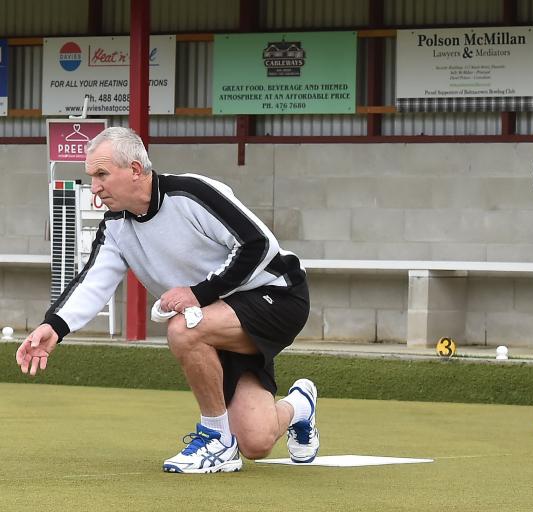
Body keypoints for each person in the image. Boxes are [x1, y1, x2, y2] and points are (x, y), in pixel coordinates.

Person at [15, 126, 320, 472]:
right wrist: (53, 327)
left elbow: (257, 245)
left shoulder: (191, 193)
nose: (95, 187)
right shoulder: (115, 226)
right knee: (257, 440)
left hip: (278, 294)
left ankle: (216, 439)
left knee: (183, 330)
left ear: (133, 169)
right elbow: (92, 282)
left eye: (102, 174)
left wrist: (197, 293)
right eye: (91, 176)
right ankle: (300, 405)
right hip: (217, 318)